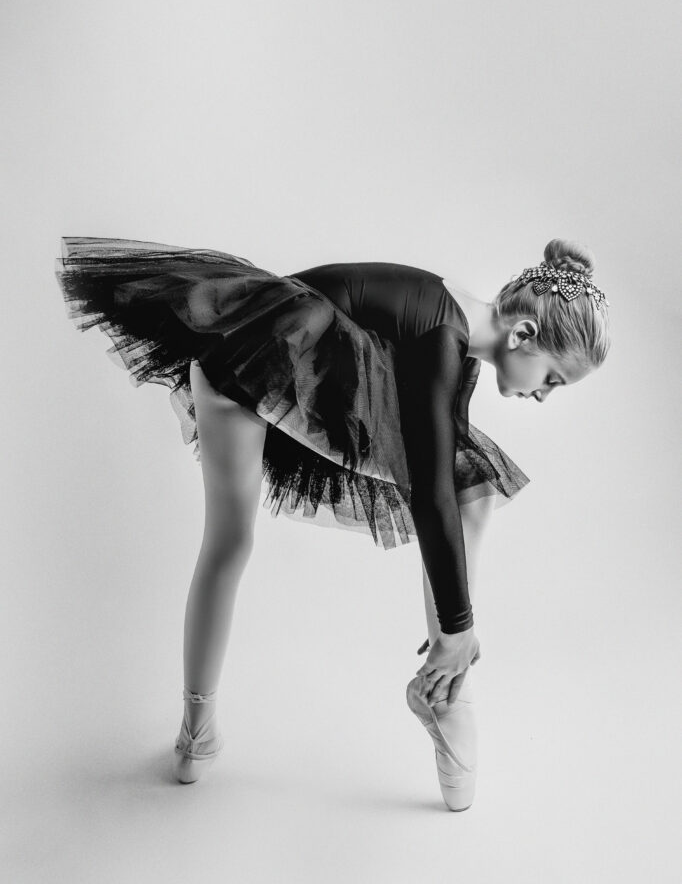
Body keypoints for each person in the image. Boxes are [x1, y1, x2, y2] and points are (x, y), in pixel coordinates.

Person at [54, 235, 610, 811]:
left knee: (234, 540)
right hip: (263, 363)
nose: (544, 396)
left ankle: (198, 738)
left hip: (247, 362)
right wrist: (458, 624)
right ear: (523, 335)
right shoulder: (444, 336)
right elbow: (431, 492)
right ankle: (446, 688)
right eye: (553, 379)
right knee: (461, 497)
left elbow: (438, 470)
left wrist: (456, 618)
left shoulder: (457, 327)